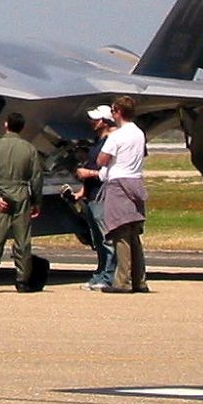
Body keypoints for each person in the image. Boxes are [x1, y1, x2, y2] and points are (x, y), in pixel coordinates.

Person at [80, 94, 147, 293]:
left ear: (117, 112)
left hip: (118, 184)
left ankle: (122, 282)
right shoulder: (139, 133)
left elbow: (102, 160)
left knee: (120, 234)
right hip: (136, 182)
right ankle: (139, 280)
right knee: (134, 234)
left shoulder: (117, 135)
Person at [0, 112, 44, 293]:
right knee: (23, 241)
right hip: (22, 195)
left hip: (1, 196)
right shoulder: (29, 148)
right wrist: (37, 202)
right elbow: (36, 177)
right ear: (22, 127)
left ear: (6, 125)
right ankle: (23, 281)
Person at [72, 106, 119, 290]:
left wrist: (88, 173)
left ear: (104, 121)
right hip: (92, 195)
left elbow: (109, 171)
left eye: (95, 119)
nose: (92, 121)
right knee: (98, 239)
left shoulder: (111, 142)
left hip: (103, 195)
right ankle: (101, 273)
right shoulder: (98, 142)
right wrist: (82, 192)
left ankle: (109, 276)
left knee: (107, 238)